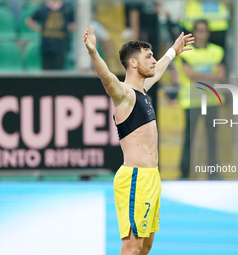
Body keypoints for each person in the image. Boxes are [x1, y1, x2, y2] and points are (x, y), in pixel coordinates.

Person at [83, 26, 194, 254]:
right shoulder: (124, 94)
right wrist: (94, 53)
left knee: (145, 247)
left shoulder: (142, 91)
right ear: (133, 63)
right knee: (132, 247)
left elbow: (160, 69)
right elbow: (106, 77)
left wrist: (173, 51)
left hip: (152, 177)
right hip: (135, 178)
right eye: (148, 57)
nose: (153, 61)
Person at [175, 19, 226, 179]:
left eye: (204, 30)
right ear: (194, 33)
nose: (202, 34)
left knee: (212, 138)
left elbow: (221, 75)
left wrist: (199, 75)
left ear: (208, 33)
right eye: (199, 30)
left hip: (212, 101)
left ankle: (213, 174)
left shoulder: (217, 51)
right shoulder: (186, 51)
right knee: (189, 139)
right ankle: (184, 173)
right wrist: (210, 76)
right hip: (191, 101)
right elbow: (189, 75)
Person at [26, 0, 75, 70]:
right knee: (46, 71)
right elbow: (29, 21)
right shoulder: (42, 9)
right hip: (46, 46)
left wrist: (69, 30)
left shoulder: (66, 9)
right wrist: (39, 29)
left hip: (61, 46)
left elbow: (74, 22)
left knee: (59, 71)